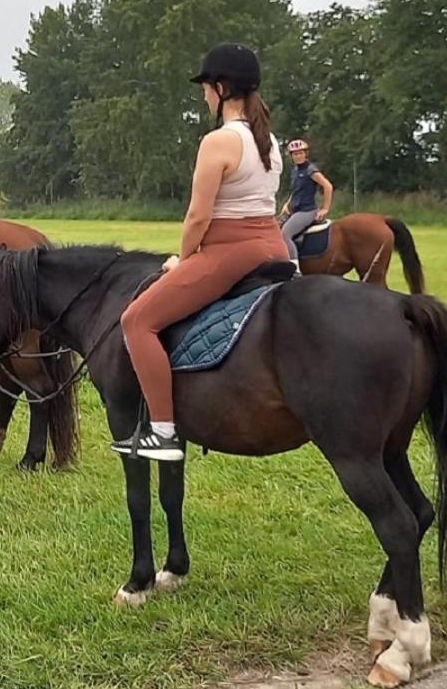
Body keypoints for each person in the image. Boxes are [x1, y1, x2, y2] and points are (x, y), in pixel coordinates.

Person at [113, 43, 289, 461]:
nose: (204, 96)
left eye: (206, 88)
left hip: (232, 250)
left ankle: (162, 432)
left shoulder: (219, 141)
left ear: (222, 88)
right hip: (274, 245)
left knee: (137, 321)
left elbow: (197, 217)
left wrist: (185, 259)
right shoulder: (271, 143)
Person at [280, 138, 333, 266]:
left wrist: (325, 208)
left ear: (305, 154)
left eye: (300, 153)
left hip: (306, 211)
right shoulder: (295, 170)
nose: (298, 156)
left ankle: (294, 267)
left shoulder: (311, 170)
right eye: (295, 154)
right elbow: (296, 191)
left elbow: (327, 186)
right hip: (295, 210)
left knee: (285, 235)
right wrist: (287, 204)